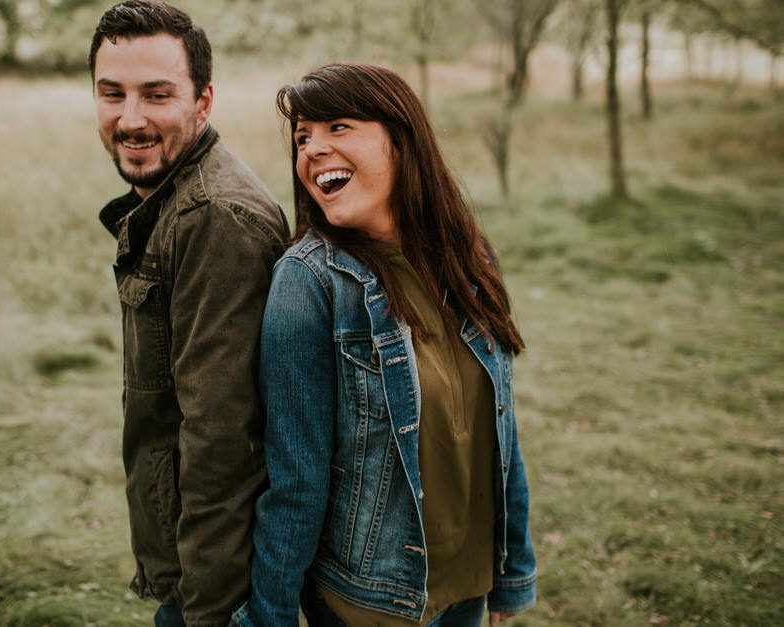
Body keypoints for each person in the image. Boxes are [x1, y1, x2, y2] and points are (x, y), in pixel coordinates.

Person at [232, 63, 536, 626]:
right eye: (302, 138)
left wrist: (511, 574)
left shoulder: (468, 256)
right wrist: (269, 617)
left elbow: (502, 430)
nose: (312, 150)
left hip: (468, 589)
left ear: (400, 141)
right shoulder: (310, 282)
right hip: (373, 605)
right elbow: (296, 479)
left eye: (337, 127)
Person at [89, 2, 289, 625]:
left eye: (157, 94)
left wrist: (208, 612)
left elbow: (223, 446)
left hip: (214, 588)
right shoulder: (169, 203)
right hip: (188, 568)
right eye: (112, 93)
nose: (130, 118)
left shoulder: (215, 219)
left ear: (203, 102)